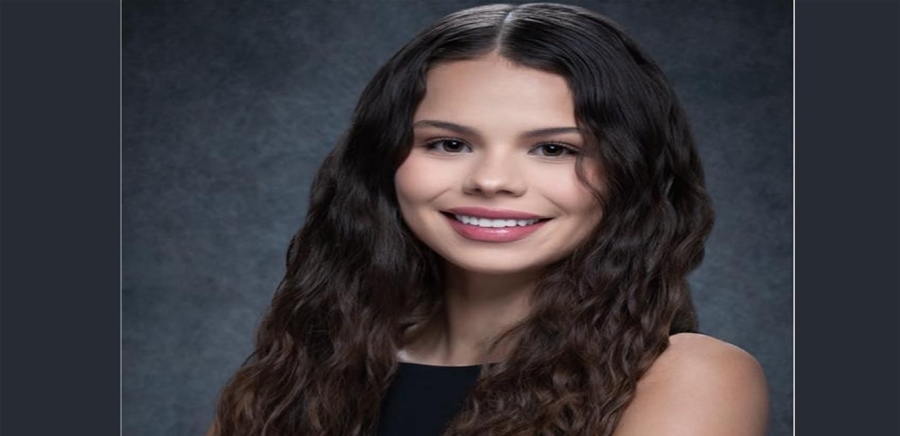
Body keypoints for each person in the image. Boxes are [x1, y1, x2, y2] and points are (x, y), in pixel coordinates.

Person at [208, 3, 769, 435]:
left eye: (554, 149)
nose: (492, 180)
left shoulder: (690, 377)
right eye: (449, 143)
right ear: (383, 161)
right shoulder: (295, 372)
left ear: (631, 173)